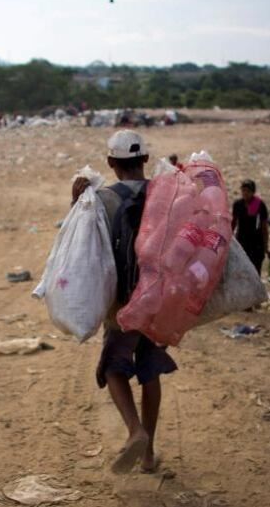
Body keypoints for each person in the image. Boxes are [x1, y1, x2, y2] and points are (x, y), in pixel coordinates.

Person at [71, 130, 176, 475]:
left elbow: (82, 244)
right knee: (150, 367)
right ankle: (148, 455)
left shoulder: (101, 199)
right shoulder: (167, 193)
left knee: (114, 364)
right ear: (145, 160)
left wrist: (76, 201)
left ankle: (135, 431)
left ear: (111, 163)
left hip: (121, 300)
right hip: (158, 296)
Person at [231, 179, 270, 274]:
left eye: (248, 191)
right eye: (243, 190)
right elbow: (233, 223)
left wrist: (265, 247)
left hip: (256, 243)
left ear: (253, 192)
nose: (245, 193)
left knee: (255, 271)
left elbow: (264, 227)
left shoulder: (259, 204)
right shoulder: (238, 204)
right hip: (242, 241)